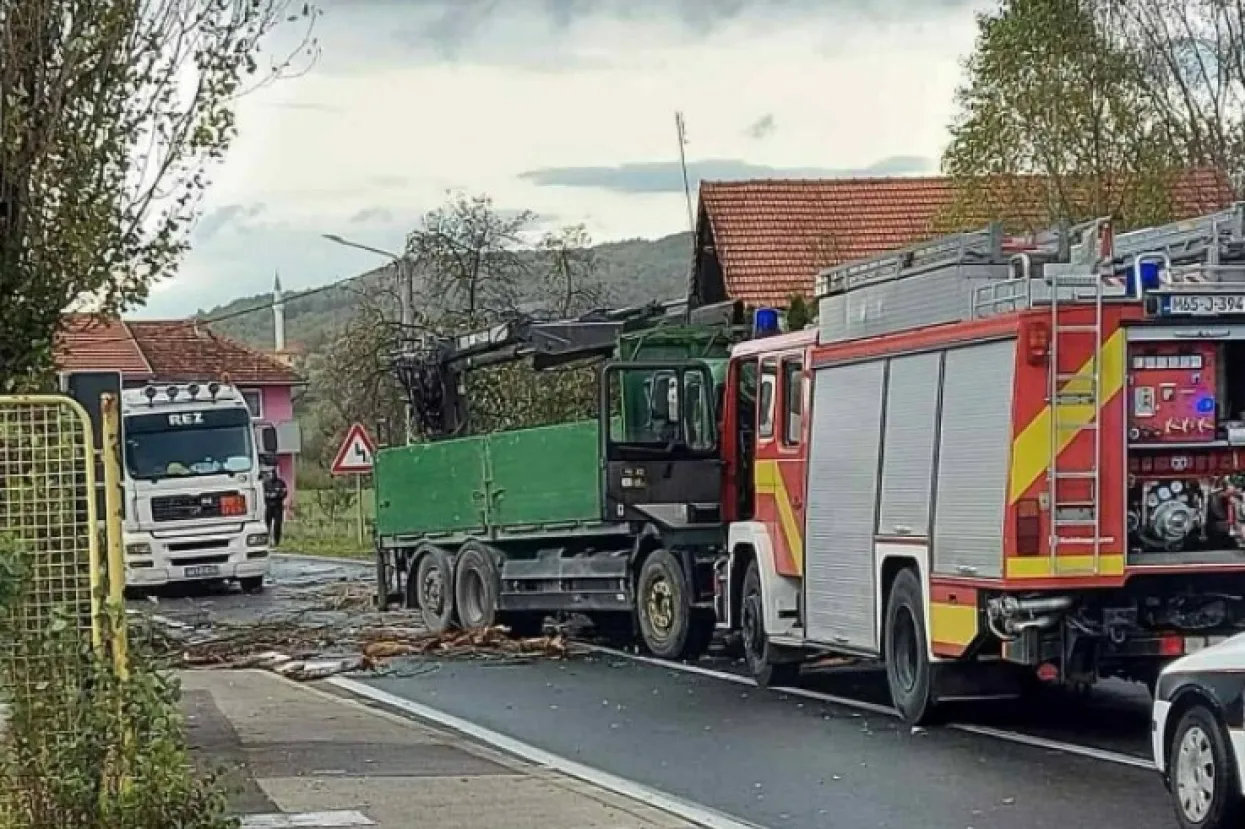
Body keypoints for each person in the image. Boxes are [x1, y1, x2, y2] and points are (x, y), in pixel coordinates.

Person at [263, 471, 288, 546]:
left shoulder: (281, 483)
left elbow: (285, 493)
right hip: (269, 507)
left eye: (274, 474)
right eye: (271, 474)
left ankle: (277, 541)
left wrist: (277, 495)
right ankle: (266, 541)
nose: (273, 475)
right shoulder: (266, 484)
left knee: (277, 525)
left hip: (278, 506)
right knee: (267, 525)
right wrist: (270, 496)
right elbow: (263, 494)